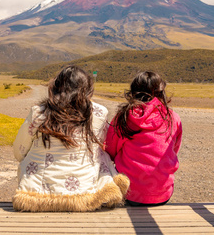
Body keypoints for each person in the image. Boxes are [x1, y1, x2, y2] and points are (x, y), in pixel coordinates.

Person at [12, 65, 129, 212]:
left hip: (36, 197)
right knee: (100, 153)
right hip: (85, 195)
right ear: (88, 88)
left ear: (56, 87)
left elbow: (19, 151)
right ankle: (109, 186)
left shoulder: (38, 113)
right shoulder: (100, 113)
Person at [105, 71, 183, 206]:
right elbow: (174, 149)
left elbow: (111, 151)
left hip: (129, 193)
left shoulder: (124, 117)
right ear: (161, 92)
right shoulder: (173, 117)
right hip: (162, 194)